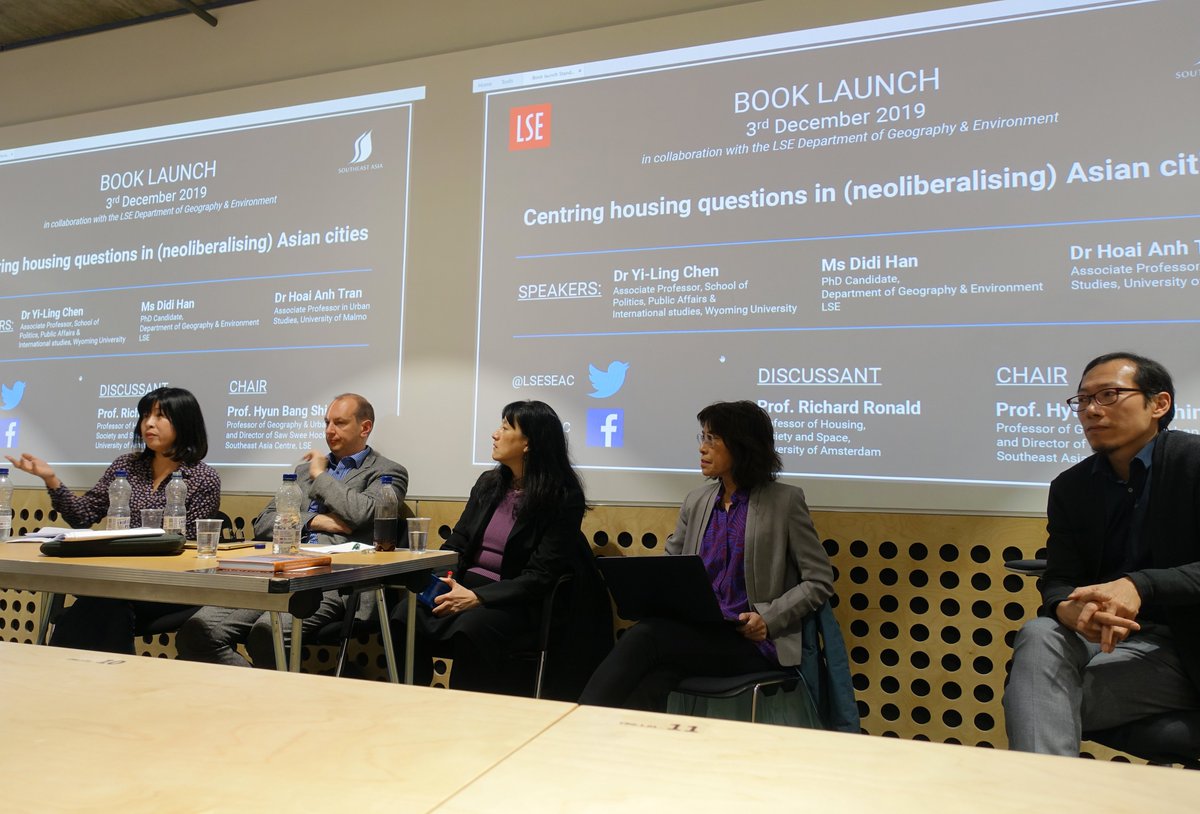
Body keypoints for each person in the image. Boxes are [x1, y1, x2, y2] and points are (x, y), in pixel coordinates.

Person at [579, 400, 834, 711]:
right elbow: (671, 566)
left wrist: (768, 618)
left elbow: (819, 580)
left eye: (712, 439)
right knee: (655, 678)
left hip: (754, 642)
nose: (702, 448)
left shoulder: (785, 501)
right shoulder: (697, 500)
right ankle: (613, 739)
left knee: (647, 637)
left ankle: (578, 719)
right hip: (701, 632)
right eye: (703, 437)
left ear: (742, 445)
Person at [1004, 352, 1200, 755]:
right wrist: (1065, 607)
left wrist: (1140, 586)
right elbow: (1059, 578)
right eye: (1083, 400)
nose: (1091, 410)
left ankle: (1037, 786)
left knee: (1037, 705)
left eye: (1109, 395)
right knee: (1040, 634)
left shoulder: (1193, 463)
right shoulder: (1071, 487)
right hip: (1115, 644)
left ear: (1158, 404)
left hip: (1187, 649)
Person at [176, 393, 408, 668]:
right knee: (197, 633)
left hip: (333, 584)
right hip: (278, 571)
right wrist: (314, 521)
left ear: (364, 427)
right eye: (327, 422)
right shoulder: (302, 472)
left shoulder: (388, 472)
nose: (329, 431)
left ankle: (272, 695)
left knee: (266, 634)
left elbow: (365, 513)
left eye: (340, 423)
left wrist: (321, 476)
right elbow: (263, 523)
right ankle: (251, 690)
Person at [389, 399, 599, 693]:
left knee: (470, 629)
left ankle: (469, 714)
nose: (495, 434)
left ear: (528, 443)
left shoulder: (563, 497)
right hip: (463, 587)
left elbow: (541, 575)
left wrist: (477, 597)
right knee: (403, 614)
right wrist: (441, 581)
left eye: (505, 427)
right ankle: (409, 701)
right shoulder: (489, 483)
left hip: (513, 599)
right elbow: (458, 542)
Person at [6, 386, 221, 654]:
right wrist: (50, 479)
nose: (148, 423)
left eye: (159, 416)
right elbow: (83, 515)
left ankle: (81, 670)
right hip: (117, 577)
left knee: (97, 607)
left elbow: (189, 544)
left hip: (169, 584)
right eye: (145, 416)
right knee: (102, 604)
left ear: (184, 422)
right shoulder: (126, 467)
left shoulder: (203, 478)